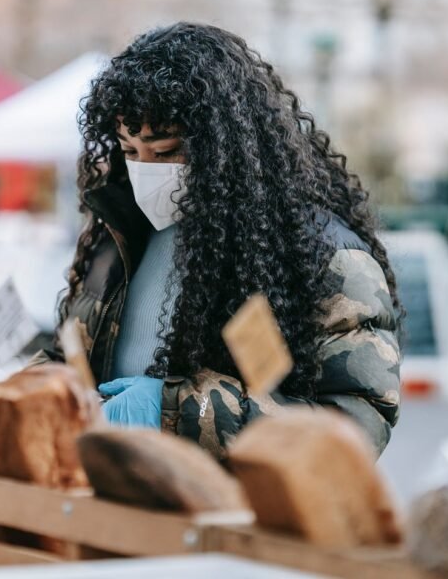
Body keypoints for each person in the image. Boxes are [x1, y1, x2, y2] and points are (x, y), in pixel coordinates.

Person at [43, 23, 402, 458]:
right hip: (117, 503)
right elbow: (71, 350)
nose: (144, 170)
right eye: (130, 150)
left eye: (165, 151)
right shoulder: (120, 234)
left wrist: (172, 411)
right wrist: (41, 386)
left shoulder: (326, 258)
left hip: (234, 519)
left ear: (219, 146)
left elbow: (353, 429)